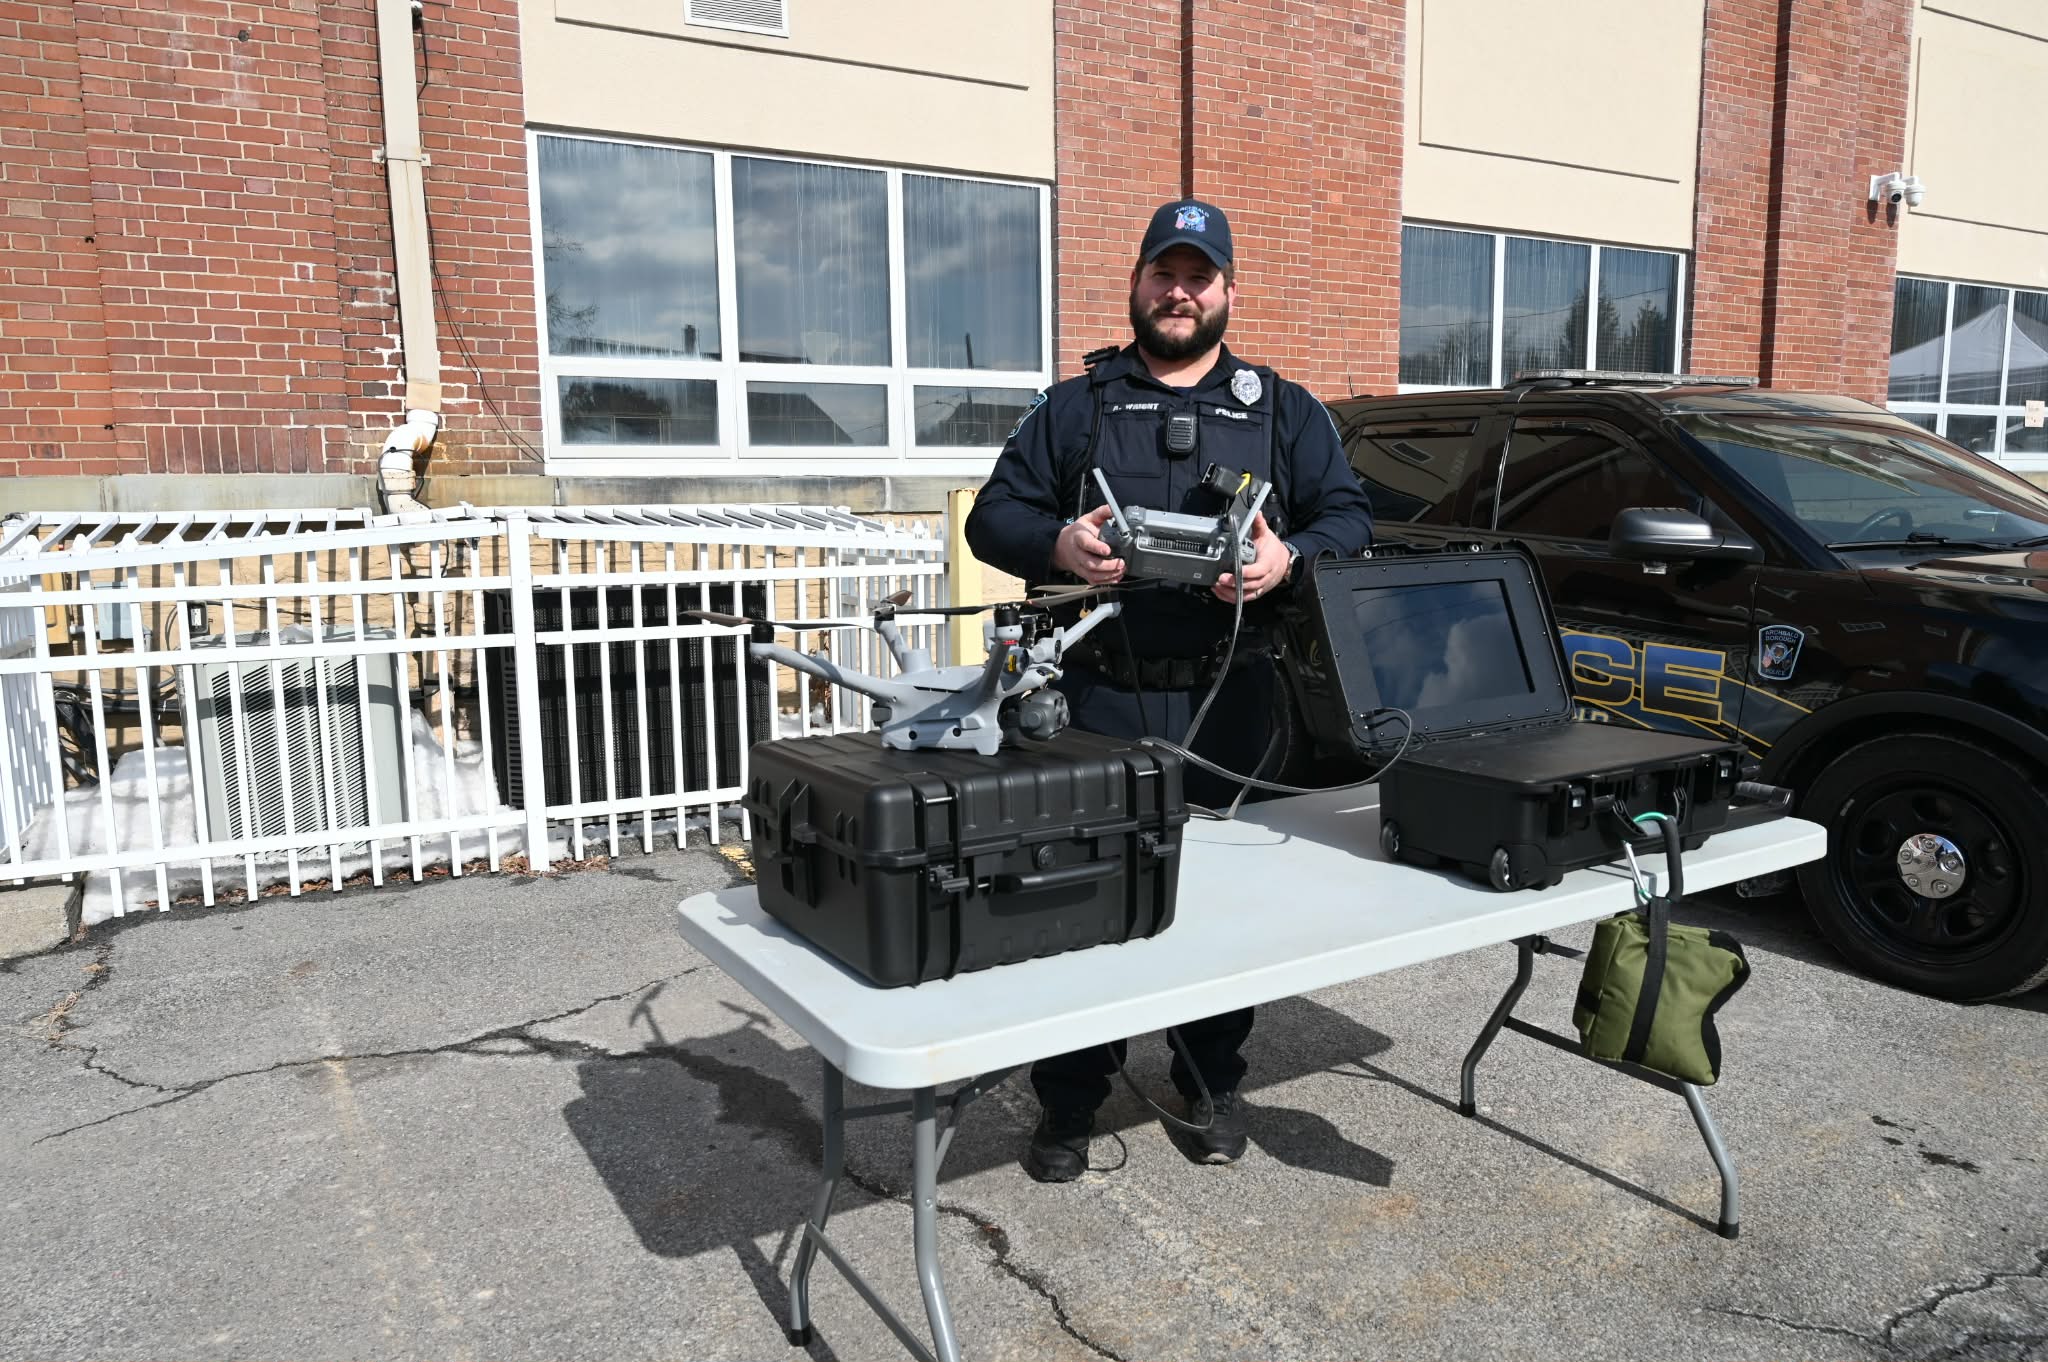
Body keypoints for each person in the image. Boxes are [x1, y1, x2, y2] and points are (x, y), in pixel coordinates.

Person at [964, 197, 1374, 1182]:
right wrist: (1054, 541)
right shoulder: (1074, 406)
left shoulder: (1279, 409)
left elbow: (1351, 520)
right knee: (1080, 909)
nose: (1178, 292)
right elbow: (992, 518)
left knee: (1218, 911)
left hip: (1228, 703)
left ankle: (1208, 1079)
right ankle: (1069, 1099)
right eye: (1163, 272)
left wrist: (1289, 561)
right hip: (1094, 701)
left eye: (1198, 276)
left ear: (1228, 291)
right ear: (1138, 282)